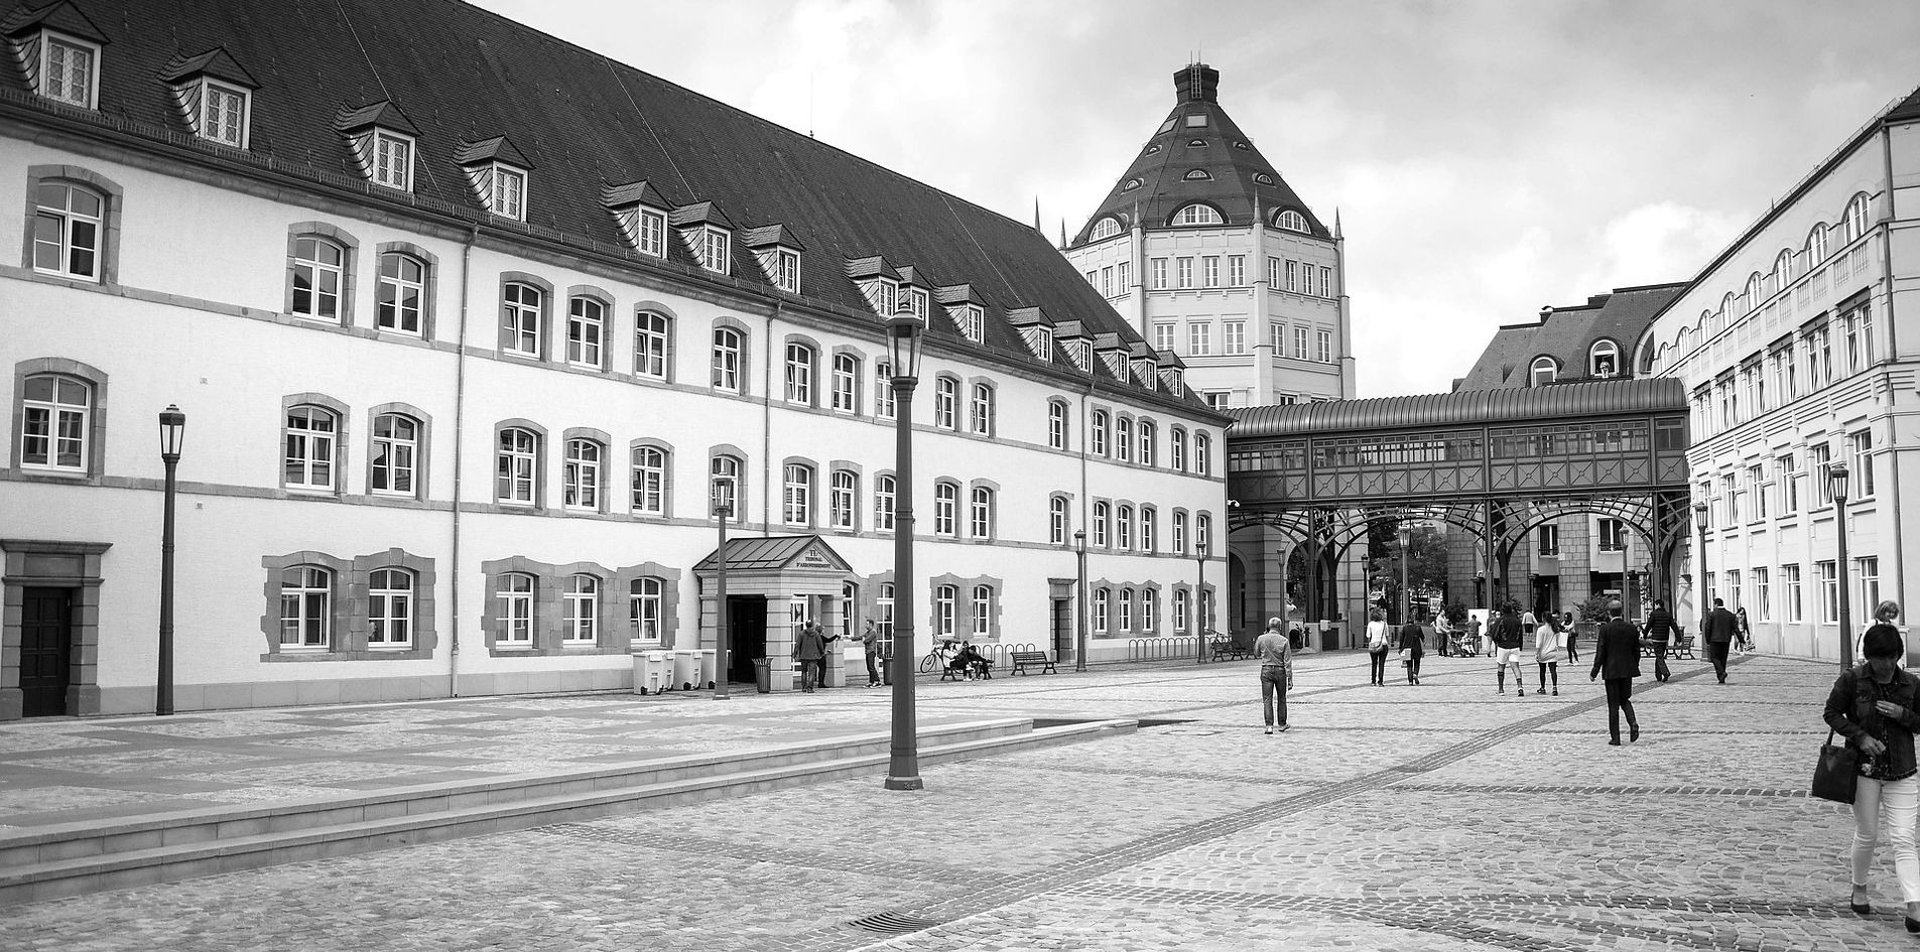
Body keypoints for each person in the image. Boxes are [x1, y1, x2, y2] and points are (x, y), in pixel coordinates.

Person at [1825, 622, 1920, 932]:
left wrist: (1903, 715)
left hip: (1903, 770)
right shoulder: (1852, 680)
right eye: (1881, 658)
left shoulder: (1910, 684)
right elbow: (1831, 712)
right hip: (1864, 770)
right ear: (1869, 656)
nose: (1887, 665)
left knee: (1905, 839)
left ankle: (1914, 905)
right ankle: (1859, 886)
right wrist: (1860, 736)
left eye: (1893, 657)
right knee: (1867, 835)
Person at [1589, 599, 1642, 745]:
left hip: (1611, 672)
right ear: (1621, 611)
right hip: (1627, 671)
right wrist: (1633, 666)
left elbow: (1601, 652)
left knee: (1613, 705)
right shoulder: (1631, 628)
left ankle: (1616, 738)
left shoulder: (1605, 629)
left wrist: (1594, 671)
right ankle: (1633, 723)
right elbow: (1636, 651)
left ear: (1608, 613)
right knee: (1625, 700)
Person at [1254, 616, 1293, 734]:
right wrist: (1290, 677)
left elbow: (1256, 653)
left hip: (1266, 669)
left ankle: (1269, 726)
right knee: (1282, 698)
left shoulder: (1261, 638)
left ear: (1269, 626)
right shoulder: (1284, 640)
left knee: (1267, 699)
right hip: (1280, 671)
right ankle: (1282, 724)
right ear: (1280, 627)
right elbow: (1287, 660)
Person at [794, 621, 839, 693]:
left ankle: (804, 687)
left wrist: (795, 653)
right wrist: (821, 652)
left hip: (804, 655)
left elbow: (797, 644)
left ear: (806, 625)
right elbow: (820, 644)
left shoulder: (801, 634)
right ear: (812, 625)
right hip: (813, 656)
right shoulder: (816, 634)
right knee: (811, 673)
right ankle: (810, 688)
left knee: (804, 672)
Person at [1492, 605, 1525, 697]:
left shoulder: (1500, 620)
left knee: (1501, 667)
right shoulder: (1517, 620)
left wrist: (1497, 642)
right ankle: (1520, 687)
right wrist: (1520, 645)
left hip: (1503, 646)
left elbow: (1494, 633)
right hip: (1515, 646)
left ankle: (1501, 689)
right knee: (1516, 667)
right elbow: (1520, 634)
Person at [1703, 597, 1739, 684]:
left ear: (1716, 604)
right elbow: (1735, 628)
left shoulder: (1711, 614)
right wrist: (1741, 639)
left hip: (1714, 640)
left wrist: (1707, 640)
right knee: (1723, 658)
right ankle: (1721, 677)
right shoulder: (1730, 615)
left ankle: (1721, 672)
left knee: (1714, 658)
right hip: (1726, 640)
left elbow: (1707, 628)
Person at [1643, 598, 1677, 683]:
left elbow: (1648, 625)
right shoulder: (1668, 615)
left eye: (1655, 605)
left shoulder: (1654, 614)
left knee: (1659, 656)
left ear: (1657, 605)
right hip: (1664, 639)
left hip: (1656, 639)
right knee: (1659, 656)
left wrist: (1645, 635)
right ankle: (1658, 676)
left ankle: (1665, 672)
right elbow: (1674, 626)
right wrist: (1678, 637)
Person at [1533, 611, 1561, 695]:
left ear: (1543, 618)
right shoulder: (1555, 629)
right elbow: (1558, 640)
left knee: (1542, 670)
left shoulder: (1541, 630)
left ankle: (1543, 687)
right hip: (1553, 652)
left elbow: (1539, 643)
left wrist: (1536, 654)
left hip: (1543, 652)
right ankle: (1554, 687)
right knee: (1553, 670)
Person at [1365, 609, 1391, 687]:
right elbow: (1387, 635)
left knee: (1374, 663)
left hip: (1373, 644)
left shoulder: (1370, 624)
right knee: (1381, 663)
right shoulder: (1384, 624)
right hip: (1383, 644)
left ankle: (1373, 681)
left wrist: (1371, 642)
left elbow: (1368, 636)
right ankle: (1381, 681)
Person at [1399, 614, 1425, 685]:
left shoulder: (1404, 628)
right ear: (1413, 620)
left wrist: (1400, 648)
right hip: (1417, 647)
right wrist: (1424, 644)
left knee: (1409, 665)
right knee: (1417, 663)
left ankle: (1410, 681)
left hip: (1407, 647)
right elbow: (1422, 637)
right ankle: (1415, 674)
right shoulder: (1418, 627)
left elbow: (1401, 639)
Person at [859, 619, 884, 688]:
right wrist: (850, 638)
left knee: (871, 667)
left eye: (867, 624)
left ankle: (877, 681)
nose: (865, 625)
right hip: (868, 651)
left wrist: (864, 639)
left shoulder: (873, 632)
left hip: (871, 651)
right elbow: (861, 637)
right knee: (869, 667)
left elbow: (866, 640)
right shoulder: (868, 632)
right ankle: (871, 681)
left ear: (871, 625)